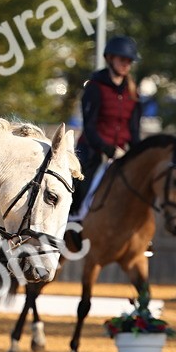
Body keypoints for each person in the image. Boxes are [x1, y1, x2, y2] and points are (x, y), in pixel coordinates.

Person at [69, 35, 143, 221]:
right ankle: (73, 219)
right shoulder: (95, 88)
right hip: (93, 150)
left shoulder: (133, 93)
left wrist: (138, 154)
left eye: (129, 61)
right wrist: (108, 149)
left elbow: (134, 131)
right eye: (122, 60)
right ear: (110, 59)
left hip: (120, 153)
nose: (126, 64)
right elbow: (90, 128)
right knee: (78, 186)